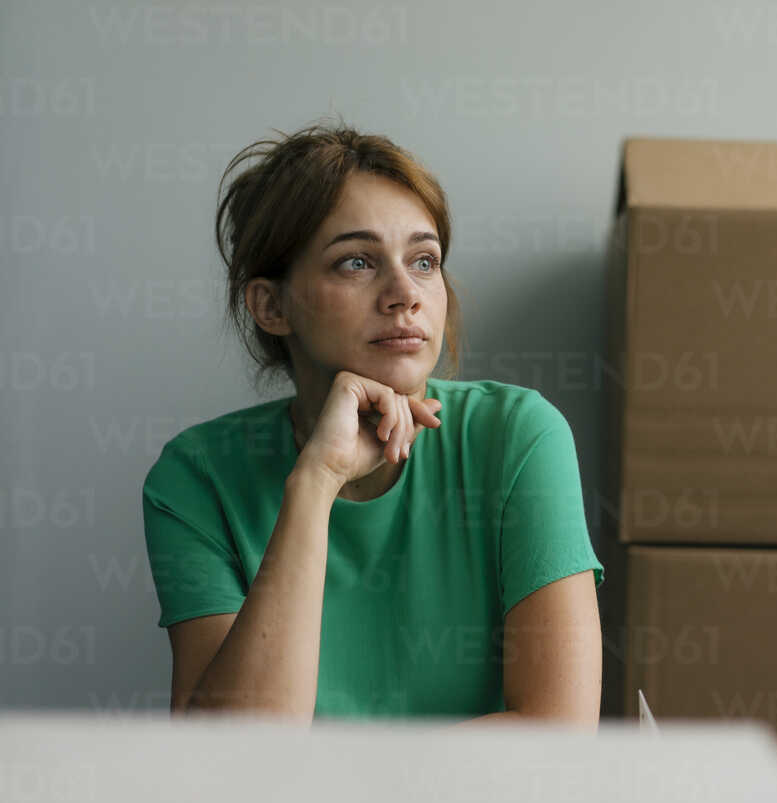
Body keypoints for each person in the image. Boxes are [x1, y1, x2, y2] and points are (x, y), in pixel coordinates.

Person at [141, 117, 605, 728]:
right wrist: (315, 483)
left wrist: (332, 783)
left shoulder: (518, 436)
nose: (404, 293)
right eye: (357, 262)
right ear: (271, 305)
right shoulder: (195, 477)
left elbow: (557, 733)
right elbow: (231, 752)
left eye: (424, 260)